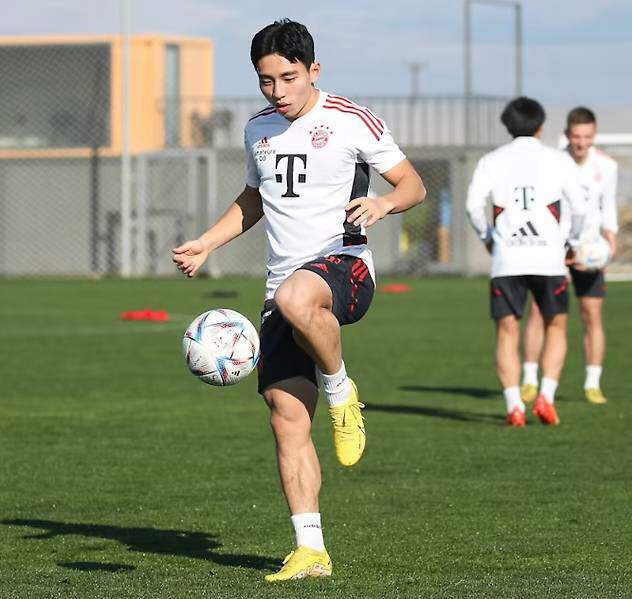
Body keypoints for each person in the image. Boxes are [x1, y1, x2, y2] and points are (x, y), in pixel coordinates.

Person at [172, 19, 425, 581]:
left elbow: (413, 184)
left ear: (314, 71)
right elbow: (254, 198)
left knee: (295, 296)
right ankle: (311, 549)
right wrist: (207, 244)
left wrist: (384, 205)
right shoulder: (258, 128)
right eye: (266, 81)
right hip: (281, 289)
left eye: (288, 78)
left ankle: (342, 389)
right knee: (287, 420)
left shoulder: (352, 121)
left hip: (345, 267)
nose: (278, 91)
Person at [466, 97, 585, 427]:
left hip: (507, 258)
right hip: (549, 258)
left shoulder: (492, 160)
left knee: (507, 333)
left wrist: (490, 237)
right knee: (556, 326)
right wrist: (570, 241)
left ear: (507, 126)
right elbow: (579, 206)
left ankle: (514, 404)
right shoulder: (558, 160)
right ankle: (546, 395)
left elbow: (473, 205)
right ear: (542, 125)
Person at [521, 107, 618, 405]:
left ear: (594, 135)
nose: (581, 142)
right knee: (540, 313)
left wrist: (609, 247)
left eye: (587, 136)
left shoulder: (607, 166)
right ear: (567, 135)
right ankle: (529, 379)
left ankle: (592, 383)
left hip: (588, 250)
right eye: (576, 136)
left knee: (591, 314)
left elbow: (608, 209)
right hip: (554, 249)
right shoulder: (552, 162)